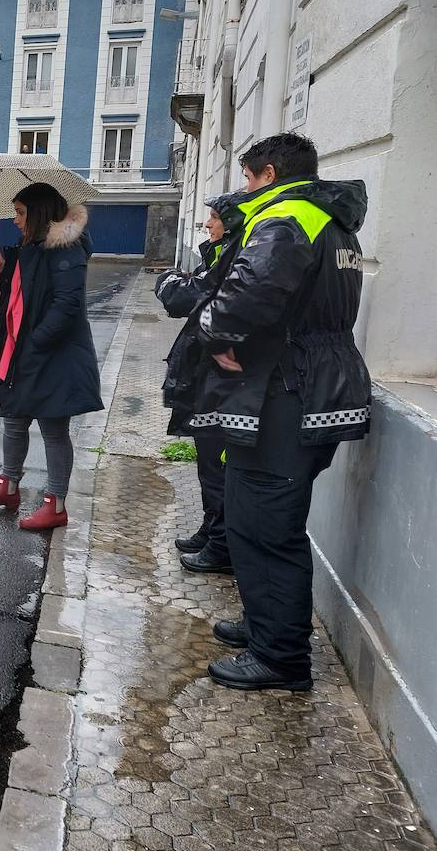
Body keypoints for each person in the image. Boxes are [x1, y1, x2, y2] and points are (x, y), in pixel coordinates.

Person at [192, 133, 371, 692]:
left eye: (247, 178)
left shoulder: (288, 217)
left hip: (290, 391)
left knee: (265, 523)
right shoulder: (330, 219)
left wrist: (211, 331)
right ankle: (267, 624)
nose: (244, 190)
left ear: (267, 174)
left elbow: (247, 295)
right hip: (313, 385)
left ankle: (280, 655)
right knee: (261, 515)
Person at [0, 182, 103, 531]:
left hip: (53, 356)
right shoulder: (33, 248)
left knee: (54, 429)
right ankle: (9, 487)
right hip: (27, 351)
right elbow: (24, 294)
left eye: (20, 212)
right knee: (14, 419)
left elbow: (66, 305)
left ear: (39, 212)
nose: (15, 220)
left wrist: (36, 342)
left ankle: (55, 504)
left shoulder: (66, 250)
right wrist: (0, 273)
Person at [154, 194, 247, 575]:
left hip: (223, 383)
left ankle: (222, 544)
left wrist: (167, 279)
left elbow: (182, 296)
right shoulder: (220, 254)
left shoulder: (235, 256)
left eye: (213, 218)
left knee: (217, 464)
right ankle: (212, 530)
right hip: (208, 376)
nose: (207, 224)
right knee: (209, 461)